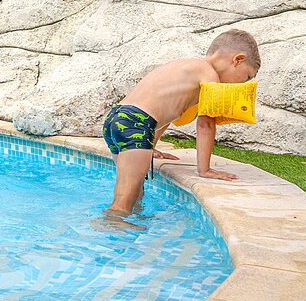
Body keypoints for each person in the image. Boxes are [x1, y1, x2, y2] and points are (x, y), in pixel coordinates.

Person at [103, 29, 259, 221]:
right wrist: (205, 170)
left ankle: (129, 222)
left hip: (117, 119)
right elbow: (206, 124)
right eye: (247, 76)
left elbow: (162, 113)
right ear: (238, 60)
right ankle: (111, 228)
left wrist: (151, 146)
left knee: (134, 191)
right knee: (121, 204)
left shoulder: (185, 66)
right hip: (136, 123)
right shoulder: (209, 75)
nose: (242, 84)